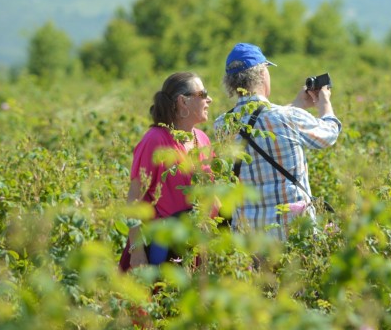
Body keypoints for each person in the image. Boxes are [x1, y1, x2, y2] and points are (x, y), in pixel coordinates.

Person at [214, 43, 341, 240]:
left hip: (248, 239)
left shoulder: (221, 125)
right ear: (263, 74)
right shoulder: (289, 117)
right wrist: (324, 103)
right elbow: (329, 134)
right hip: (293, 234)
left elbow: (257, 122)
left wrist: (296, 104)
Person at [119, 72, 214, 271]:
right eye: (203, 94)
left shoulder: (202, 139)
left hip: (198, 246)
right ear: (183, 102)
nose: (209, 99)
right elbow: (133, 201)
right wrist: (137, 251)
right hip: (163, 250)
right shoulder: (155, 140)